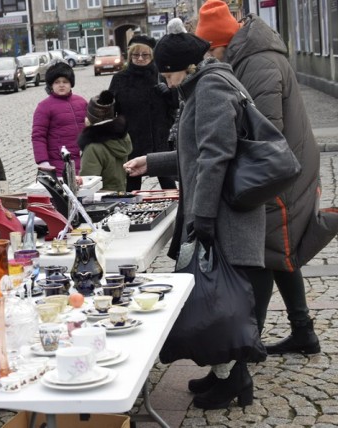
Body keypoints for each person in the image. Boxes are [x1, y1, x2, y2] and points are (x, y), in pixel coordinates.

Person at [124, 27, 266, 410]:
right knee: (215, 300)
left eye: (167, 73)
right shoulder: (200, 86)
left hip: (226, 215)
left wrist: (202, 216)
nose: (165, 81)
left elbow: (214, 157)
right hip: (216, 211)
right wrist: (152, 161)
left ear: (186, 67)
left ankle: (236, 381)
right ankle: (226, 374)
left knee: (221, 302)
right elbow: (195, 151)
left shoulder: (212, 89)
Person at [195, 0, 338, 354]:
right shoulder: (248, 56)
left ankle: (249, 343)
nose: (210, 59)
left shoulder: (257, 62)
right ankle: (303, 332)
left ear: (221, 42)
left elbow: (265, 135)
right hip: (281, 167)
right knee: (279, 252)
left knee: (262, 252)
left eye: (210, 51)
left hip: (278, 173)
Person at [108, 35, 178, 192]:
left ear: (152, 55)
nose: (140, 58)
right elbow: (111, 109)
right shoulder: (120, 78)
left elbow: (176, 104)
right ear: (130, 55)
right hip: (132, 138)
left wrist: (170, 92)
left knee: (168, 183)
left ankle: (176, 211)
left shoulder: (160, 75)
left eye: (145, 55)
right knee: (132, 183)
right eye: (136, 54)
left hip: (159, 138)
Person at [31, 62, 87, 177]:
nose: (61, 85)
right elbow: (38, 136)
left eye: (65, 82)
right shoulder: (44, 106)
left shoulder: (82, 102)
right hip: (58, 164)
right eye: (57, 82)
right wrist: (43, 162)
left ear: (71, 83)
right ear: (51, 85)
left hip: (82, 162)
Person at [78, 90, 132, 192]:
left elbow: (88, 183)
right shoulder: (123, 137)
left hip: (101, 199)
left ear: (90, 118)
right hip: (120, 192)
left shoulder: (93, 147)